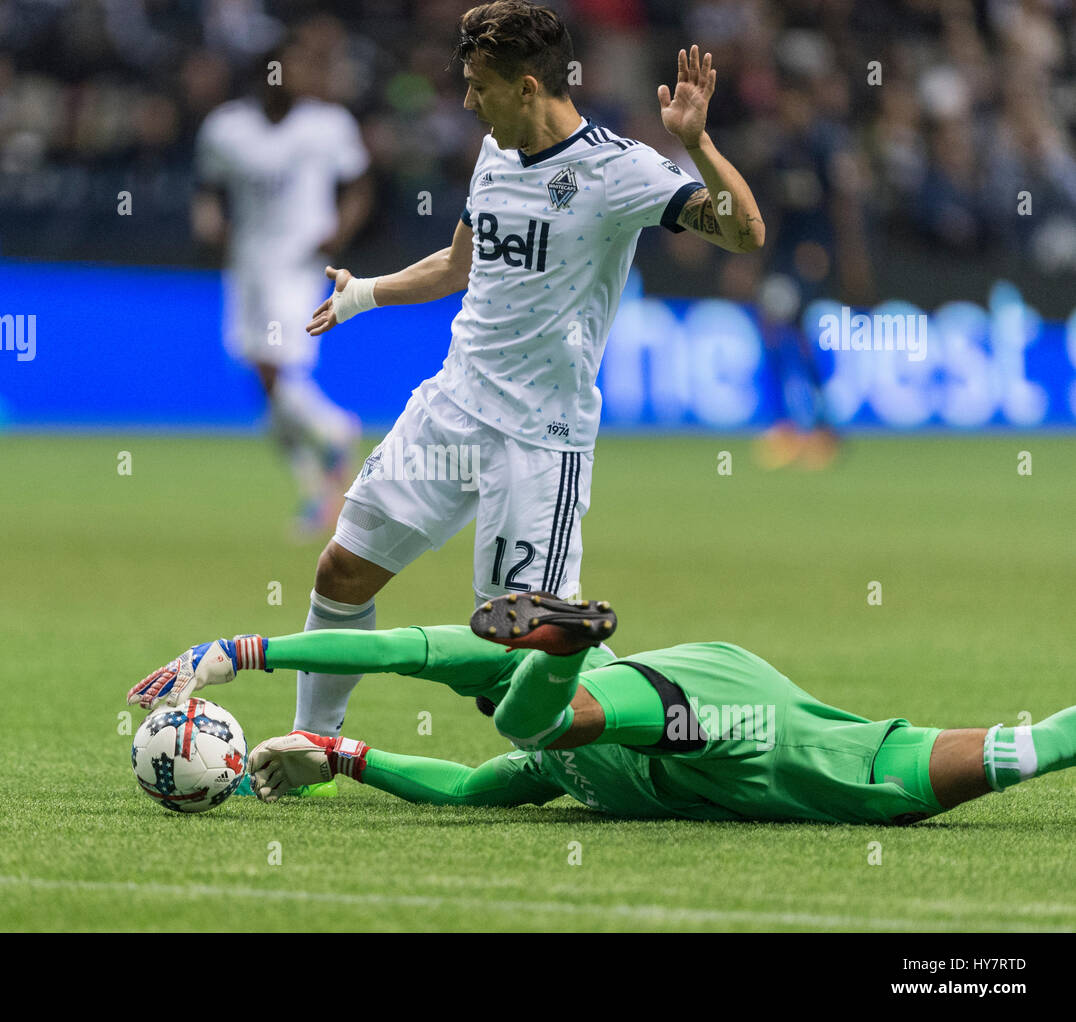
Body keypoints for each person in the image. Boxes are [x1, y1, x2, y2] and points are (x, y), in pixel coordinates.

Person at [288, 2, 765, 763]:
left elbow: (745, 233)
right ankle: (313, 746)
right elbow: (458, 264)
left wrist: (698, 145)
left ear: (528, 86)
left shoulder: (618, 170)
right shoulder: (494, 154)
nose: (468, 102)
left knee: (512, 661)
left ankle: (676, 726)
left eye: (478, 87)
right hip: (453, 407)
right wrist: (362, 295)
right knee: (342, 567)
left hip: (538, 442)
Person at [127, 593, 1075, 823]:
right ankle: (565, 641)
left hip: (692, 706)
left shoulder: (500, 683)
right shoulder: (546, 775)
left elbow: (387, 649)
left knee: (529, 720)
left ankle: (568, 638)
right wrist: (342, 753)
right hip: (704, 721)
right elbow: (462, 792)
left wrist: (239, 654)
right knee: (905, 785)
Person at [194, 33, 373, 535]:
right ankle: (318, 490)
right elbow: (208, 190)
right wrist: (208, 222)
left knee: (278, 365)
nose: (303, 75)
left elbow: (360, 186)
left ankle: (336, 430)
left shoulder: (328, 125)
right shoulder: (227, 127)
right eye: (292, 66)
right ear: (269, 72)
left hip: (300, 264)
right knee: (263, 378)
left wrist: (338, 230)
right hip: (248, 263)